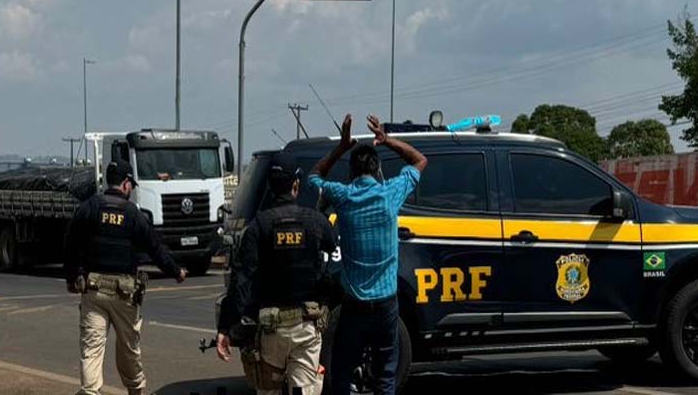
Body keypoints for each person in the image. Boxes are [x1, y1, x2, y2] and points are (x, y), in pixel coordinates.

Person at [307, 114, 428, 395]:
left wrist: (341, 147)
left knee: (341, 371)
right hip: (387, 304)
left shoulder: (343, 196)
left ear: (351, 172)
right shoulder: (390, 194)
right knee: (385, 376)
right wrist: (387, 140)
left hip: (355, 304)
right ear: (378, 169)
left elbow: (313, 177)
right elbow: (419, 160)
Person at [216, 152, 337, 395]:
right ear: (296, 184)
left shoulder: (259, 226)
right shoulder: (314, 221)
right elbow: (331, 244)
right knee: (304, 390)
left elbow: (242, 281)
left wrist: (226, 328)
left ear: (270, 187)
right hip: (306, 327)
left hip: (272, 330)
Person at [64, 160, 187, 395]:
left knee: (91, 350)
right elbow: (155, 248)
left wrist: (72, 278)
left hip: (93, 292)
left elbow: (70, 245)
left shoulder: (89, 208)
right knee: (129, 350)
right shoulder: (133, 214)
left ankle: (90, 392)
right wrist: (176, 272)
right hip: (124, 295)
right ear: (125, 183)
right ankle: (135, 390)